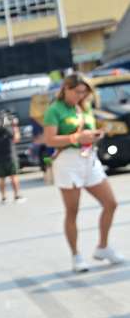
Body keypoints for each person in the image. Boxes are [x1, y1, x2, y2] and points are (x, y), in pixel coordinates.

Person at [42, 73, 124, 273]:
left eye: (84, 92)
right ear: (66, 89)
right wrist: (77, 136)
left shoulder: (84, 107)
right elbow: (50, 140)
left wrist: (95, 135)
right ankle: (76, 255)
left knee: (111, 203)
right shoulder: (55, 110)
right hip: (68, 162)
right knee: (73, 211)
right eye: (77, 92)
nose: (80, 95)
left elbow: (88, 131)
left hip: (89, 158)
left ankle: (103, 247)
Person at [0, 111, 26, 204]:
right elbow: (16, 138)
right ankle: (17, 195)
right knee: (13, 176)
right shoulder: (7, 129)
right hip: (10, 156)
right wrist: (15, 126)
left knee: (2, 178)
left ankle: (3, 197)